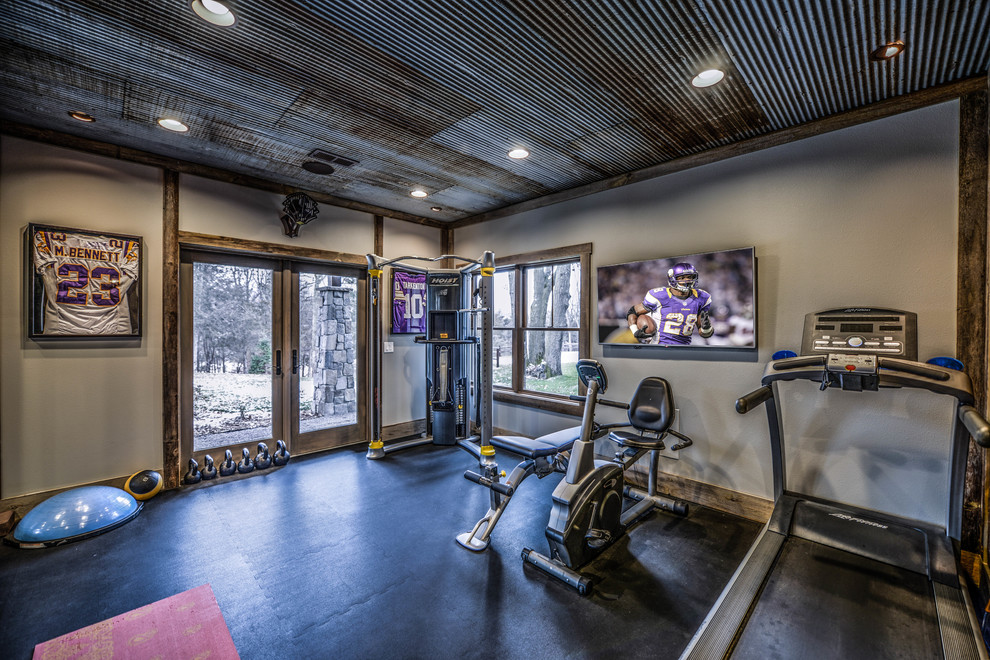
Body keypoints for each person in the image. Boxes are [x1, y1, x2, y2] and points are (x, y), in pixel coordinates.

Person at [626, 262, 714, 345]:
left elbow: (705, 334)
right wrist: (635, 331)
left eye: (690, 277)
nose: (687, 280)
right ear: (672, 278)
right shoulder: (660, 295)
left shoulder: (702, 297)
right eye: (682, 278)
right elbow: (632, 312)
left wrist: (706, 329)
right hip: (659, 346)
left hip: (684, 347)